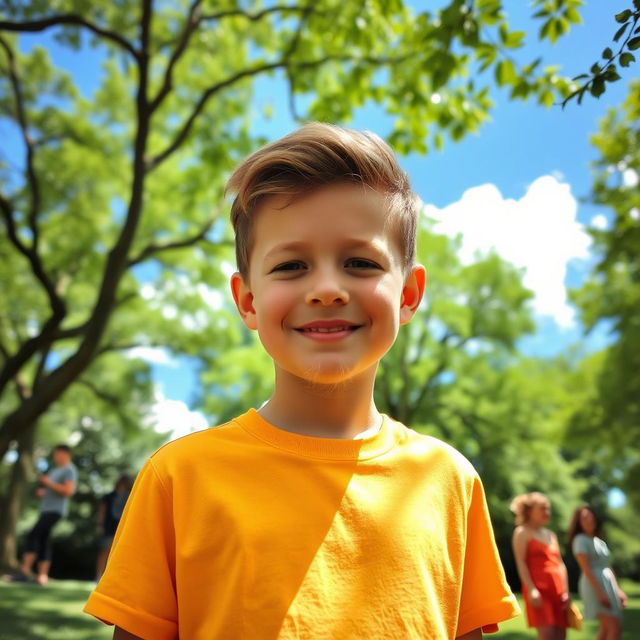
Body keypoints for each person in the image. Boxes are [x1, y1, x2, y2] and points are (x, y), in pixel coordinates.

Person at [84, 123, 520, 639]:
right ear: (247, 300)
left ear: (408, 292)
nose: (328, 289)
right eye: (291, 266)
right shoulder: (178, 477)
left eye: (360, 262)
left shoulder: (450, 479)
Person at [511, 492, 570, 640]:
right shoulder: (521, 532)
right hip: (539, 591)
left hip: (558, 591)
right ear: (530, 511)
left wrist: (566, 591)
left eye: (548, 508)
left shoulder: (551, 534)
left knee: (561, 635)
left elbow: (560, 564)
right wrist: (531, 589)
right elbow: (521, 563)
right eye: (542, 508)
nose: (547, 512)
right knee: (547, 635)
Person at [17, 444, 77, 585]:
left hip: (55, 510)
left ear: (65, 454)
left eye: (57, 454)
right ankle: (42, 576)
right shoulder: (56, 470)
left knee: (33, 535)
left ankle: (24, 571)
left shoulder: (69, 470)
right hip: (46, 509)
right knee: (43, 540)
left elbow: (68, 491)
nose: (55, 457)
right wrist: (44, 492)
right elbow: (53, 489)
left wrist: (47, 483)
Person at [569, 505, 627, 640]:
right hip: (594, 586)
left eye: (591, 517)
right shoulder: (580, 540)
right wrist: (600, 593)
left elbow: (607, 566)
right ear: (579, 522)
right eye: (584, 518)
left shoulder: (599, 541)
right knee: (615, 627)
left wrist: (618, 590)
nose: (589, 520)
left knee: (606, 628)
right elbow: (586, 569)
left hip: (608, 585)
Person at [95, 475, 133, 581]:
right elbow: (102, 511)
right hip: (109, 526)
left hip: (122, 527)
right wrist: (100, 524)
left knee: (121, 553)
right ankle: (99, 576)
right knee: (105, 551)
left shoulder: (130, 497)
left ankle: (116, 578)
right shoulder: (109, 496)